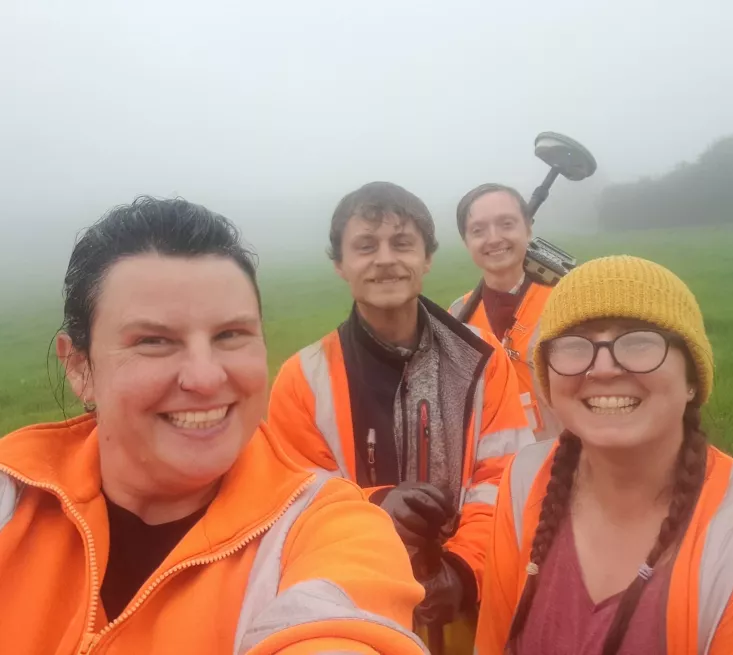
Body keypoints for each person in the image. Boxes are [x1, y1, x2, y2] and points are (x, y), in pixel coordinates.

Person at [0, 197, 428, 654]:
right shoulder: (13, 494)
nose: (205, 379)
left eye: (230, 335)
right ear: (80, 367)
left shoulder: (331, 529)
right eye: (154, 341)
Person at [475, 255, 733, 655]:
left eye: (640, 341)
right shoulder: (525, 478)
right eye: (575, 344)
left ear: (692, 380)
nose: (605, 367)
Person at [267, 181, 531, 651]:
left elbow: (505, 481)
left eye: (402, 243)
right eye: (365, 246)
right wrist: (376, 506)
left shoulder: (484, 362)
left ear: (427, 258)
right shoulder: (301, 380)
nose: (385, 258)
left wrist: (464, 572)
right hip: (353, 612)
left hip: (472, 611)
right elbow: (295, 505)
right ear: (340, 265)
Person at [449, 183, 562, 442]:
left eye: (507, 224)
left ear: (529, 229)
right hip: (494, 473)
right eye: (478, 230)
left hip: (568, 465)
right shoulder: (456, 316)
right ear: (466, 241)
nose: (493, 238)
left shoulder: (567, 302)